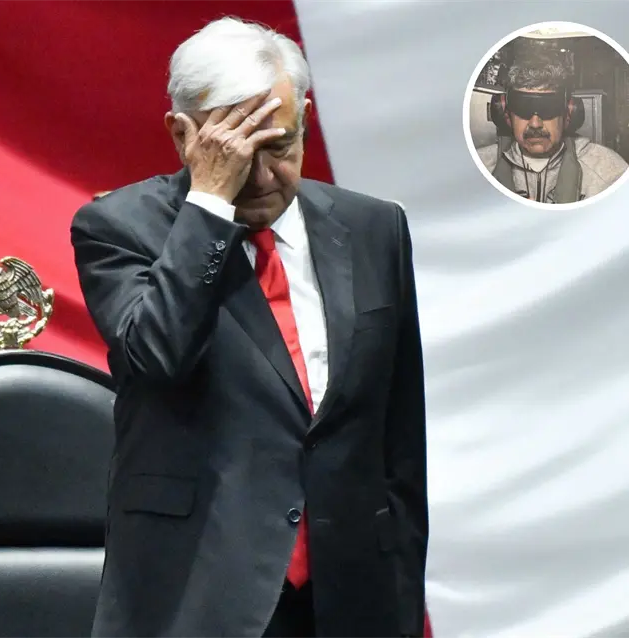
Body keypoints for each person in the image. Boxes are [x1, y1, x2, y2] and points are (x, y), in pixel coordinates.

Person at [71, 16, 428, 638]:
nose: (262, 177)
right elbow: (157, 358)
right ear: (183, 135)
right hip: (199, 596)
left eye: (279, 146)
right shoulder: (119, 229)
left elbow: (399, 436)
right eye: (237, 153)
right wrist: (210, 204)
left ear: (306, 119)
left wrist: (399, 589)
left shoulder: (374, 228)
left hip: (353, 596)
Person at [478, 54, 628, 203]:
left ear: (568, 114)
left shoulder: (608, 171)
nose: (535, 124)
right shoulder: (479, 166)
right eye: (523, 108)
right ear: (506, 114)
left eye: (547, 108)